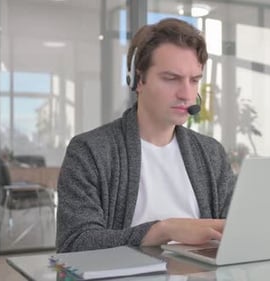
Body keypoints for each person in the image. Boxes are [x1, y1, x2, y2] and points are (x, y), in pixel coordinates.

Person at [56, 18, 235, 253]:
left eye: (194, 81)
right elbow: (75, 243)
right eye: (171, 78)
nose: (186, 94)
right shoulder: (90, 151)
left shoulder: (211, 153)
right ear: (138, 79)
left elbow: (237, 231)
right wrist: (165, 230)